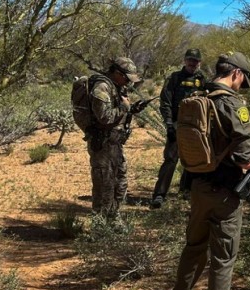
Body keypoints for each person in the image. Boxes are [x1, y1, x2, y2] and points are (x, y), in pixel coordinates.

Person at [167, 53, 250, 290]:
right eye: (242, 79)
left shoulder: (199, 94)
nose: (241, 84)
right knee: (223, 256)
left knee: (194, 246)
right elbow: (246, 158)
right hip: (225, 192)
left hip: (198, 185)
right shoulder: (231, 103)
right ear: (236, 74)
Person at [86, 57, 142, 218]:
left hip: (115, 144)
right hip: (102, 145)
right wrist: (124, 108)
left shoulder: (116, 87)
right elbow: (104, 118)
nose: (128, 82)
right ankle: (100, 224)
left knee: (120, 182)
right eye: (126, 78)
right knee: (104, 186)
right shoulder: (102, 87)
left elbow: (116, 114)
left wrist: (131, 110)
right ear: (117, 73)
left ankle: (113, 217)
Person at [151, 48, 206, 209]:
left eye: (195, 61)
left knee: (193, 160)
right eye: (190, 60)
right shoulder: (174, 78)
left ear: (199, 62)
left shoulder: (202, 79)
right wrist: (169, 124)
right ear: (184, 60)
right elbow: (165, 102)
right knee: (170, 159)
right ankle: (159, 195)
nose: (192, 63)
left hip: (196, 127)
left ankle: (186, 191)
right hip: (177, 125)